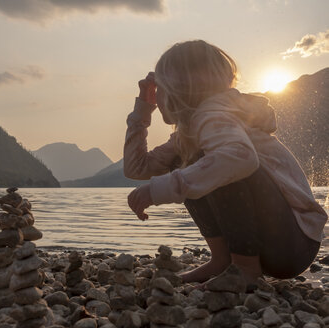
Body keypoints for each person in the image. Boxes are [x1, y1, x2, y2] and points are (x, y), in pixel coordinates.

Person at [124, 40, 328, 285]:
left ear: (181, 89)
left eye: (161, 88)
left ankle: (245, 268)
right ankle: (223, 260)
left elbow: (240, 158)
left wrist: (159, 189)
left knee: (217, 162)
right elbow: (137, 168)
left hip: (293, 244)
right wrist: (143, 109)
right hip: (279, 243)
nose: (157, 94)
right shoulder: (188, 133)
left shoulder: (215, 114)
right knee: (184, 160)